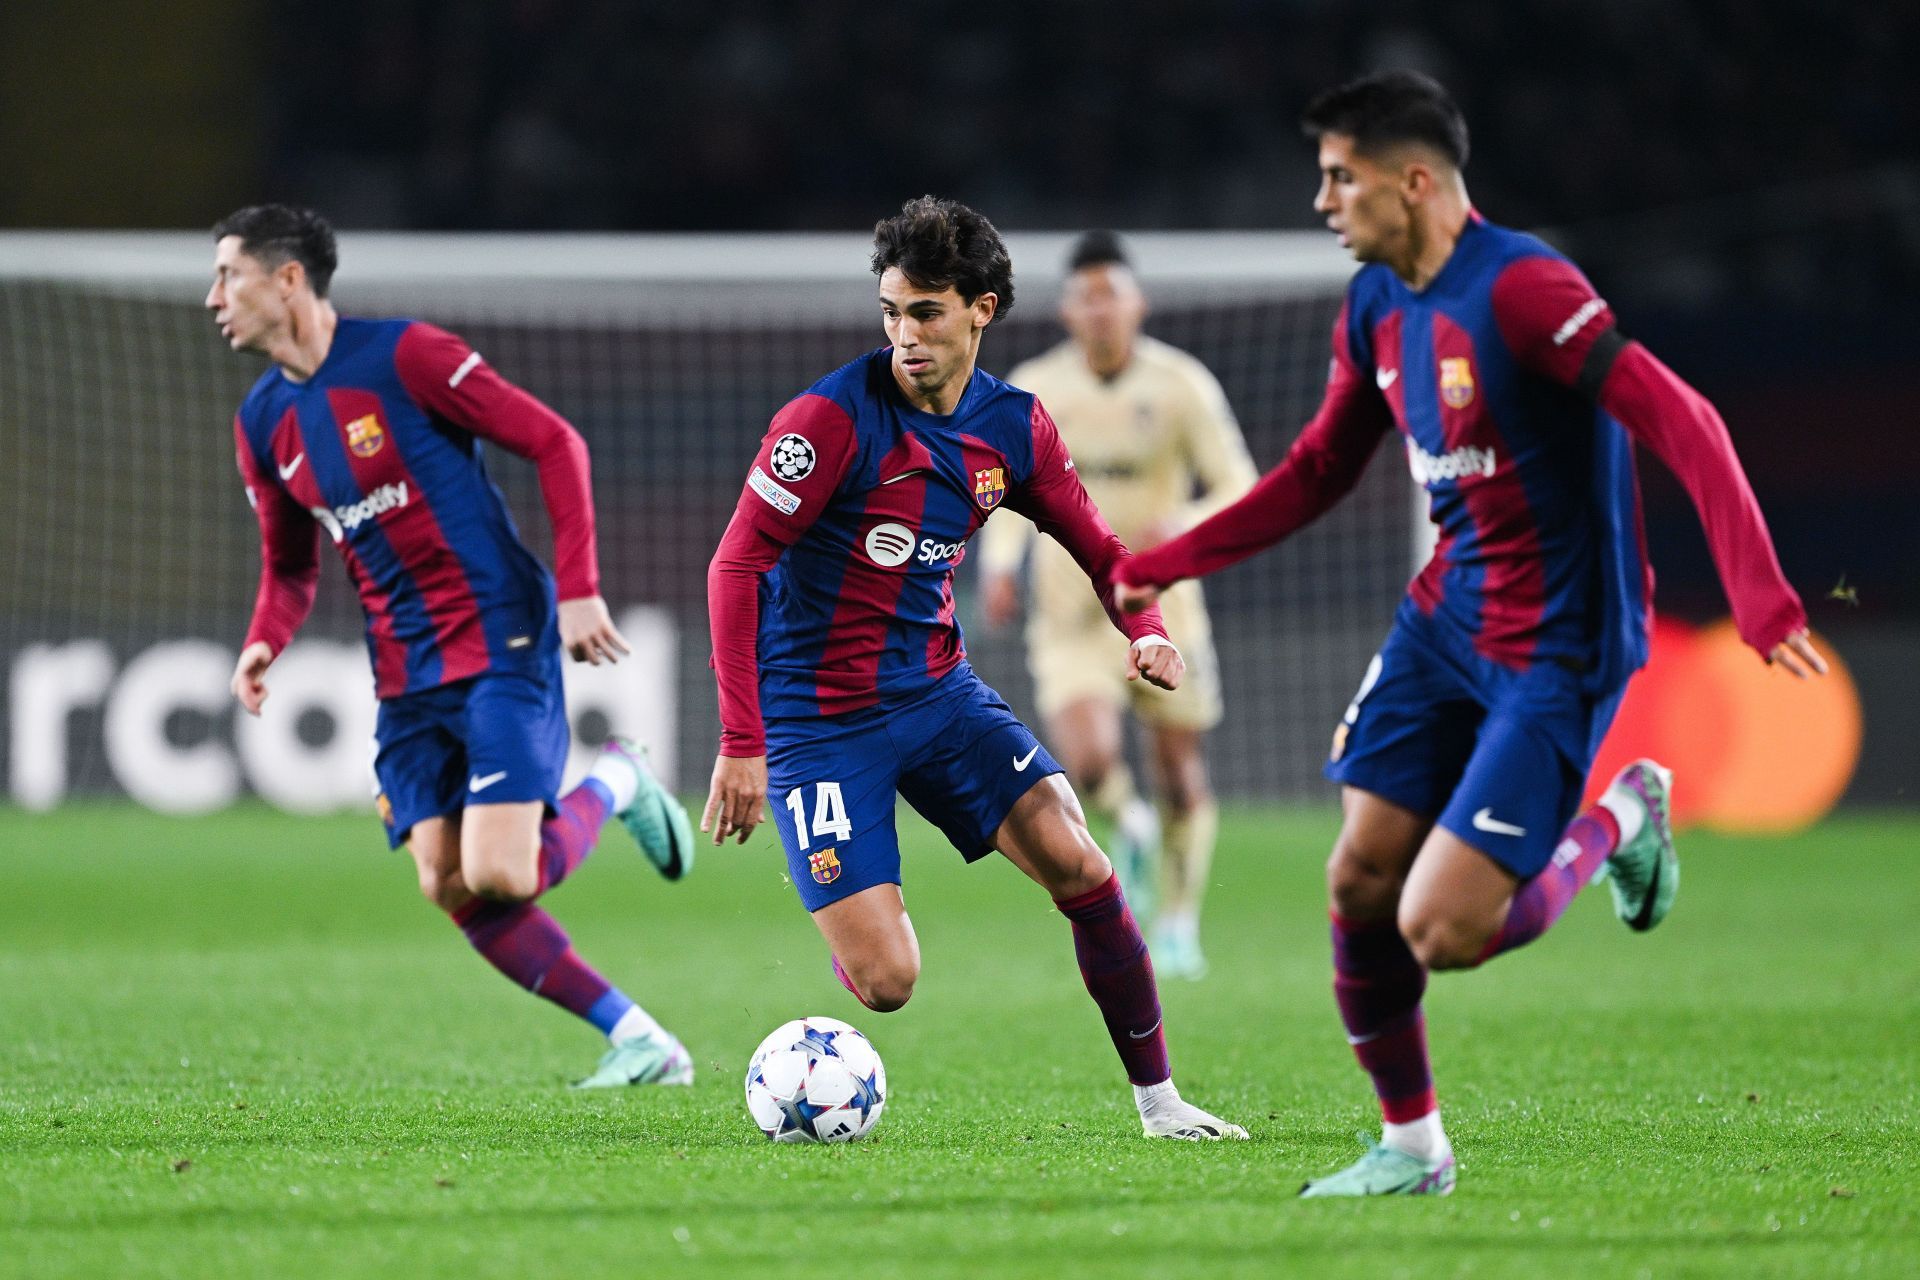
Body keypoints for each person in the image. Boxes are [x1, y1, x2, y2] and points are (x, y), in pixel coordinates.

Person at [1113, 72, 1826, 1194]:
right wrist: (1155, 561)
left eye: (1340, 177)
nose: (1322, 202)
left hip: (1560, 640)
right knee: (1358, 879)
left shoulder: (1527, 290)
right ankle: (1412, 1147)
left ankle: (1620, 819)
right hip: (1445, 619)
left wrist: (1760, 588)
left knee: (1441, 926)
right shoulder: (1376, 306)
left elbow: (1680, 415)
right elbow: (1313, 475)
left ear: (1414, 181)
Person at [703, 195, 1246, 1141]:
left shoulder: (1015, 427)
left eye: (926, 313)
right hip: (816, 721)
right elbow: (735, 563)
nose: (903, 335)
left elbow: (1101, 546)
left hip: (940, 696)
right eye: (890, 312)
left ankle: (1161, 1106)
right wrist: (742, 743)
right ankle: (849, 922)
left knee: (1082, 861)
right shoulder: (827, 420)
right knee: (888, 983)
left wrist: (1146, 626)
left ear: (980, 310)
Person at [211, 204, 697, 1089]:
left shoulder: (406, 357)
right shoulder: (261, 422)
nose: (214, 299)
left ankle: (620, 776)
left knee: (502, 871)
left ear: (287, 280)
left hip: (500, 635)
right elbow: (288, 569)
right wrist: (262, 643)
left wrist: (581, 586)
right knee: (445, 881)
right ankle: (642, 1041)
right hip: (404, 672)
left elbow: (556, 441)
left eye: (227, 276)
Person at [977, 231, 1257, 979]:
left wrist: (1187, 525)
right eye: (1086, 297)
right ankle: (1126, 826)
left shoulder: (1180, 385)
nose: (1100, 310)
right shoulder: (1037, 388)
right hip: (1070, 612)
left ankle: (1177, 921)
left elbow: (1239, 483)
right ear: (1067, 310)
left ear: (1138, 303)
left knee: (1180, 775)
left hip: (1165, 608)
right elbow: (1004, 490)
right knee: (1090, 755)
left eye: (1113, 295)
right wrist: (999, 563)